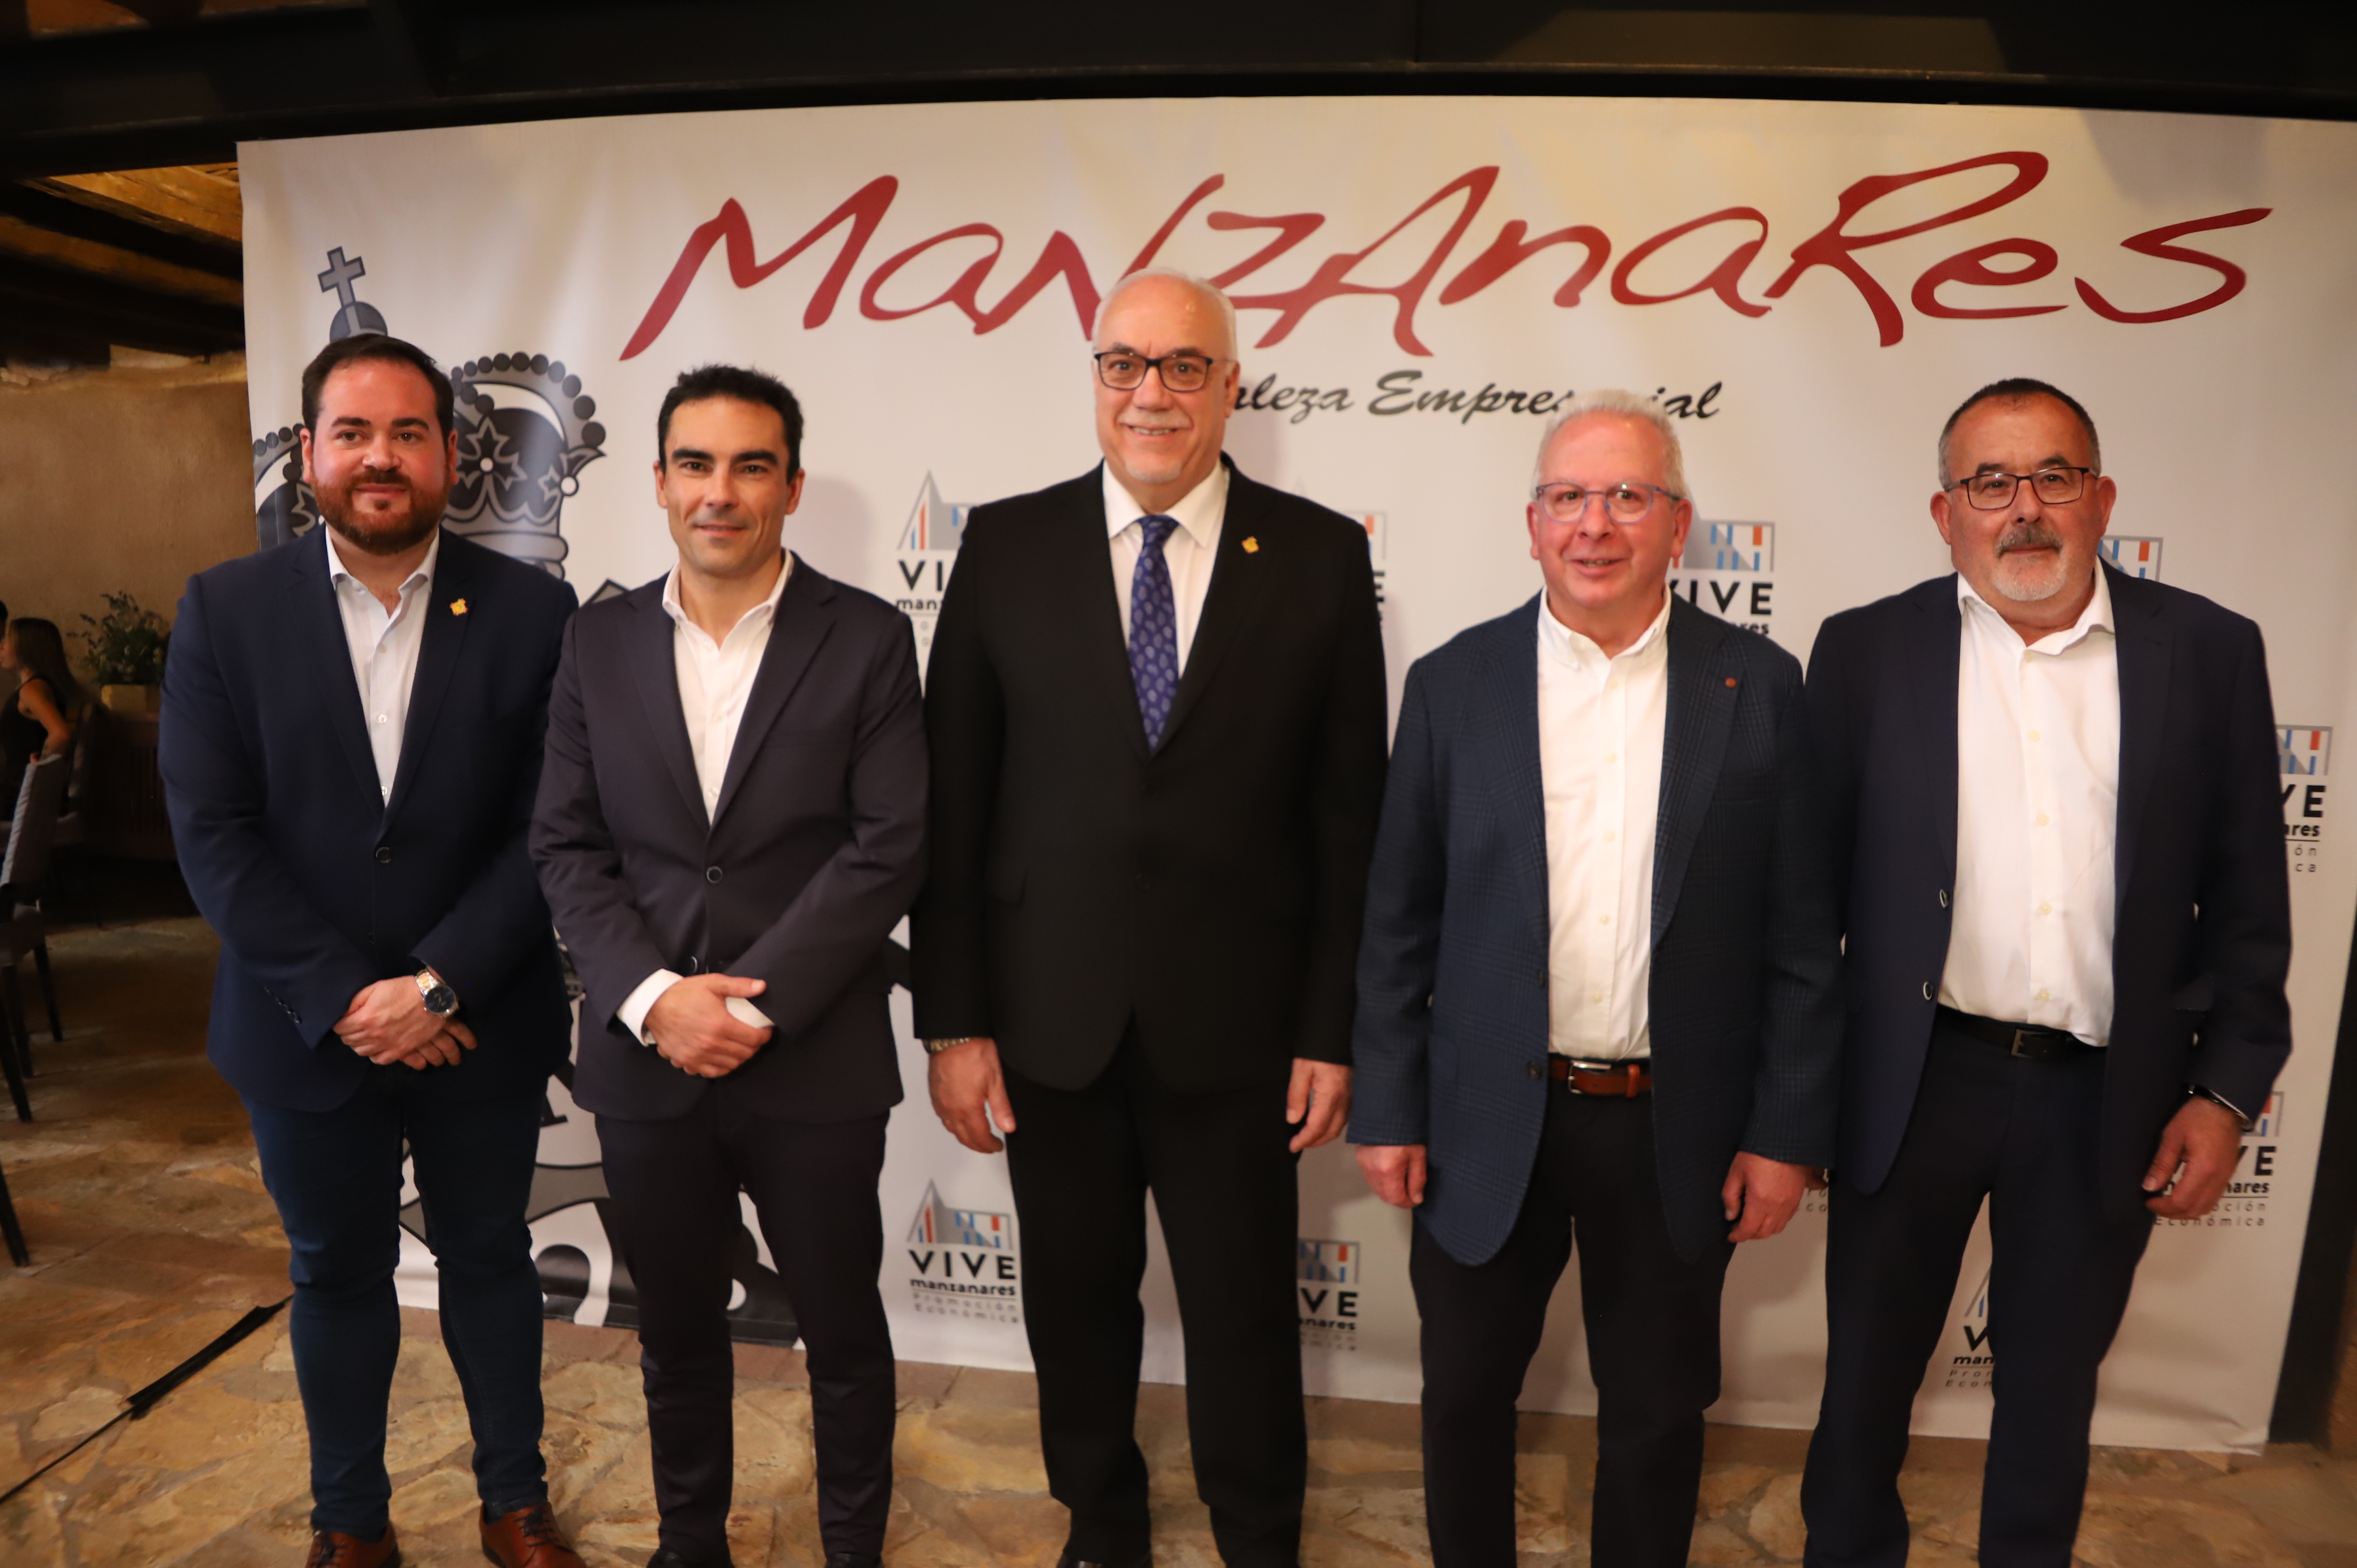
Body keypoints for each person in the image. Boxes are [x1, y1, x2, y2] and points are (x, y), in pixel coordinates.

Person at [912, 268, 1388, 1568]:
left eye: (1184, 366)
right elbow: (952, 807)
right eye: (1124, 363)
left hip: (1240, 1029)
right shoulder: (1005, 546)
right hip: (1046, 1019)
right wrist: (953, 1021)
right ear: (1095, 380)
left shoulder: (1319, 555)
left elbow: (1348, 821)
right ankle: (1103, 1521)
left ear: (1231, 386)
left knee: (1245, 1310)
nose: (1151, 393)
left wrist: (1330, 1028)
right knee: (1075, 1304)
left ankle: (1258, 1531)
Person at [1798, 378, 2292, 1568]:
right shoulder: (1864, 650)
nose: (2022, 507)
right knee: (1862, 1385)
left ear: (2101, 498)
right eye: (1989, 482)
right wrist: (1792, 1096)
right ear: (1945, 513)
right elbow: (1805, 900)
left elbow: (2250, 904)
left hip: (2104, 1096)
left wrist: (2225, 1094)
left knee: (2050, 1398)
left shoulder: (2210, 652)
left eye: (2052, 476)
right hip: (1911, 1083)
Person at [1349, 392, 1841, 1567]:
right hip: (1481, 1118)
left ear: (1678, 524)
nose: (1595, 524)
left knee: (1659, 1415)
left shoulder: (1759, 685)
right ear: (1532, 523)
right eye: (1568, 496)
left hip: (1673, 1124)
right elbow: (1397, 921)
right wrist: (1390, 1105)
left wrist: (1783, 1132)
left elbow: (1800, 937)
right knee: (1464, 1399)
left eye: (1628, 495)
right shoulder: (1454, 682)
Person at [159, 333, 585, 1568]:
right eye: (353, 433)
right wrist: (351, 996)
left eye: (408, 432)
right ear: (309, 454)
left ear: (450, 454)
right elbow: (214, 831)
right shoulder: (224, 611)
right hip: (304, 1031)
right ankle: (350, 1521)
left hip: (479, 1019)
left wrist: (439, 984)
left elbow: (548, 825)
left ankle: (514, 1504)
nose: (380, 457)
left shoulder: (536, 612)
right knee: (333, 1272)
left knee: (491, 1259)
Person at [531, 364, 925, 1568]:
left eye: (752, 466)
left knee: (842, 1332)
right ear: (659, 482)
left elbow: (889, 844)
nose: (721, 491)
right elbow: (566, 843)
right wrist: (658, 1002)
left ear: (792, 487)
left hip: (814, 1057)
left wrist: (754, 1006)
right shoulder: (595, 639)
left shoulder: (867, 636)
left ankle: (852, 1549)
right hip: (647, 1062)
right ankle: (689, 1543)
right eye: (696, 464)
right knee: (677, 1334)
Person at [0, 617, 86, 809]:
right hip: (23, 795)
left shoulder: (32, 690)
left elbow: (61, 734)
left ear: (28, 647)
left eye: (7, 639)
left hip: (18, 798)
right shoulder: (42, 686)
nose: (1, 646)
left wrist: (40, 771)